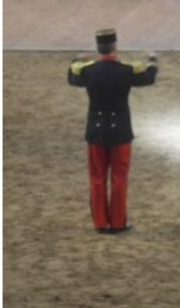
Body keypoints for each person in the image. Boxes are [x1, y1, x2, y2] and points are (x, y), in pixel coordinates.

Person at [67, 29, 158, 233]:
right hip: (121, 132)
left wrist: (76, 59)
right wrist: (152, 60)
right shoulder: (126, 70)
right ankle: (118, 222)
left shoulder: (89, 71)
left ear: (99, 49)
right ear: (115, 47)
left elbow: (72, 77)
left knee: (97, 178)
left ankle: (100, 223)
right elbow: (149, 77)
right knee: (119, 178)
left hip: (96, 131)